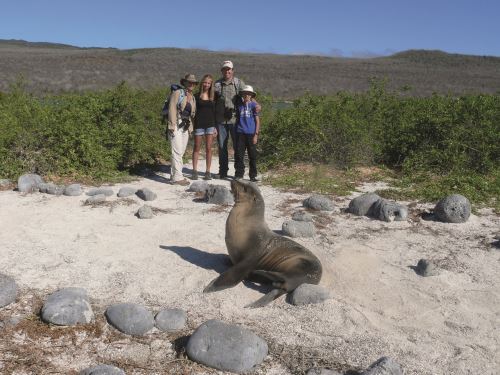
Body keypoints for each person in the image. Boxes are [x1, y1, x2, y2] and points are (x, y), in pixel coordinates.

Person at [214, 60, 260, 179]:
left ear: (232, 71)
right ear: (222, 71)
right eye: (225, 69)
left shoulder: (238, 83)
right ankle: (223, 171)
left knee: (237, 148)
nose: (227, 71)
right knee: (222, 147)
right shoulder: (217, 84)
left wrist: (256, 104)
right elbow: (212, 100)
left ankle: (238, 173)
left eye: (229, 69)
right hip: (220, 120)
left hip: (235, 120)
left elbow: (248, 95)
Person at [167, 74, 197, 186]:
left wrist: (191, 129)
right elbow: (172, 109)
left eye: (193, 82)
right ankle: (178, 178)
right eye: (189, 82)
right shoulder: (178, 93)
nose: (191, 84)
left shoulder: (192, 97)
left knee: (180, 152)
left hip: (185, 126)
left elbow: (191, 115)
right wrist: (171, 126)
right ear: (184, 82)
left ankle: (174, 175)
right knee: (177, 151)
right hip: (176, 124)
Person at [191, 74, 223, 180]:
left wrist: (215, 127)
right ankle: (194, 171)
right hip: (199, 125)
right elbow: (193, 112)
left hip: (210, 125)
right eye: (205, 82)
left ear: (211, 84)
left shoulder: (214, 96)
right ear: (202, 83)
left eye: (209, 83)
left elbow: (216, 112)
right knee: (196, 148)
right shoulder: (196, 96)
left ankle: (208, 172)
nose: (206, 85)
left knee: (209, 149)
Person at [234, 85, 260, 182]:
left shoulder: (254, 106)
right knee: (239, 155)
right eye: (245, 93)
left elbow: (257, 121)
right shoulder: (239, 106)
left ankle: (253, 175)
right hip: (240, 133)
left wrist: (256, 135)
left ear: (251, 95)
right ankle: (239, 174)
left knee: (252, 155)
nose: (246, 95)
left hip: (251, 134)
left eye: (249, 94)